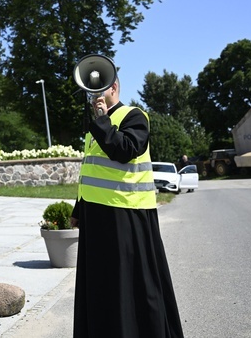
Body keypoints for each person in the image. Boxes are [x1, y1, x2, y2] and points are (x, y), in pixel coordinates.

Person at [71, 75, 183, 338]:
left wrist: (101, 122)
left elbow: (125, 150)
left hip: (126, 214)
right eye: (91, 89)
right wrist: (79, 209)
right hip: (97, 215)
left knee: (130, 286)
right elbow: (91, 169)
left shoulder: (134, 115)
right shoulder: (97, 126)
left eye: (101, 87)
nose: (95, 94)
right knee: (101, 286)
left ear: (114, 87)